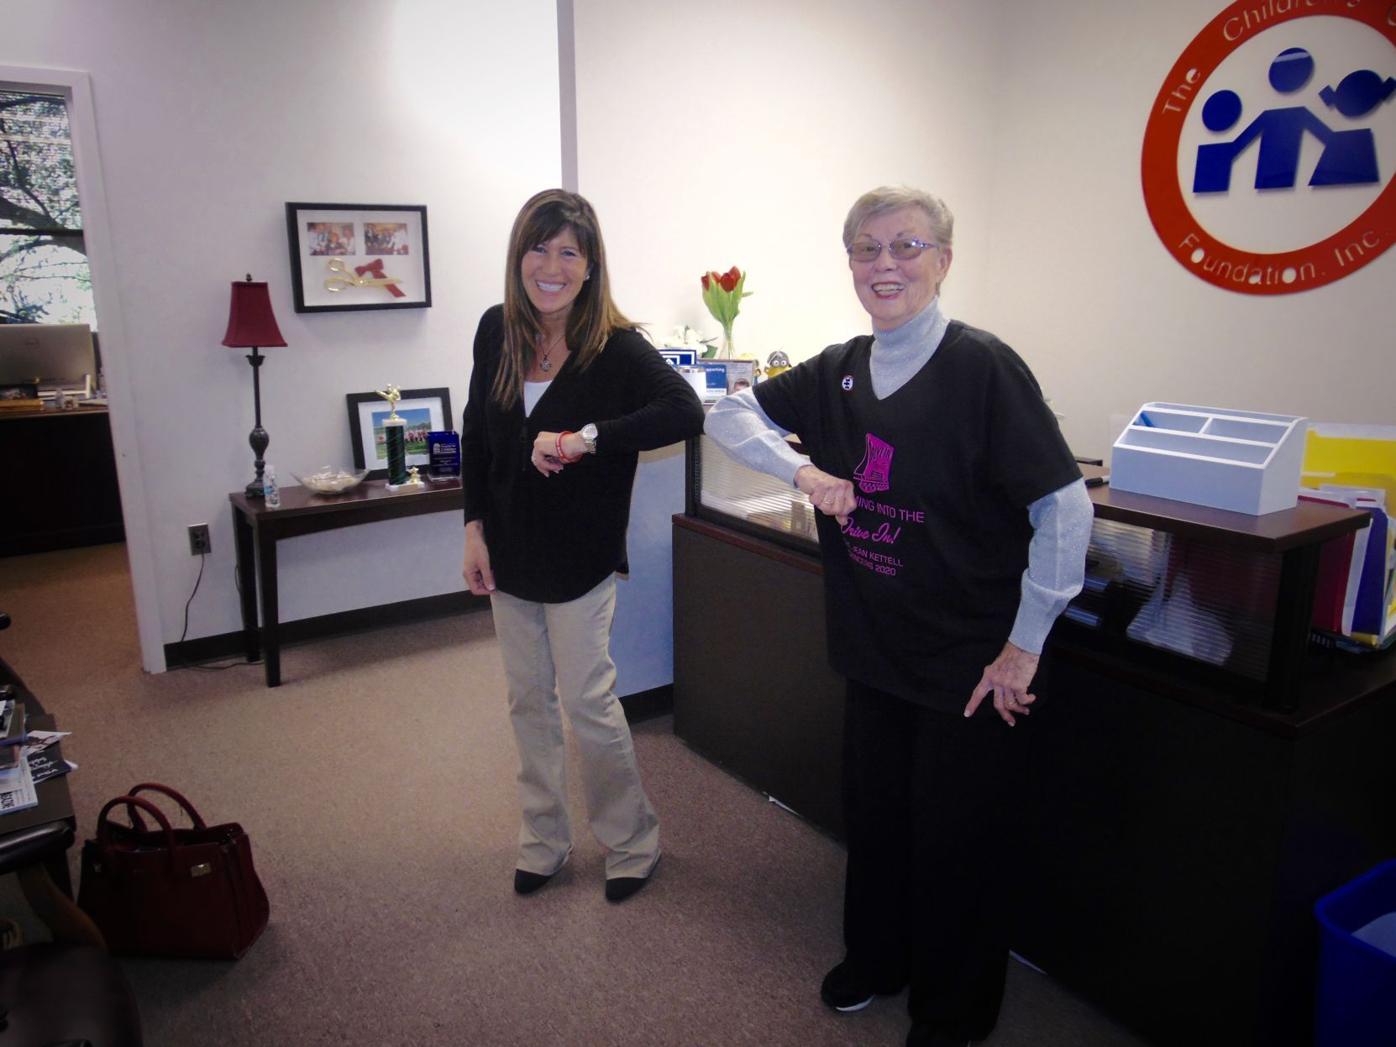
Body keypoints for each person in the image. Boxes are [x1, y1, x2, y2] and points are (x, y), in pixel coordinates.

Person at [704, 186, 1092, 1046]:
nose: (886, 265)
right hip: (874, 644)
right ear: (849, 264)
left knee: (958, 842)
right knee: (877, 820)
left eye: (906, 246)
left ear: (943, 260)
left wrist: (1025, 648)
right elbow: (725, 410)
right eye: (866, 249)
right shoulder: (839, 366)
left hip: (968, 657)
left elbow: (1066, 510)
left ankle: (954, 1012)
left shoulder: (984, 368)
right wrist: (803, 474)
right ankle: (877, 958)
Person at [460, 189, 704, 903]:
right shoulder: (494, 330)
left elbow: (685, 410)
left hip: (579, 557)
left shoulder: (615, 347)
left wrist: (585, 437)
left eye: (570, 251)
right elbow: (477, 433)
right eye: (540, 247)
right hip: (507, 552)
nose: (552, 265)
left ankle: (632, 840)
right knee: (527, 702)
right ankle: (543, 838)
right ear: (520, 256)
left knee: (590, 707)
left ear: (591, 266)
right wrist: (473, 527)